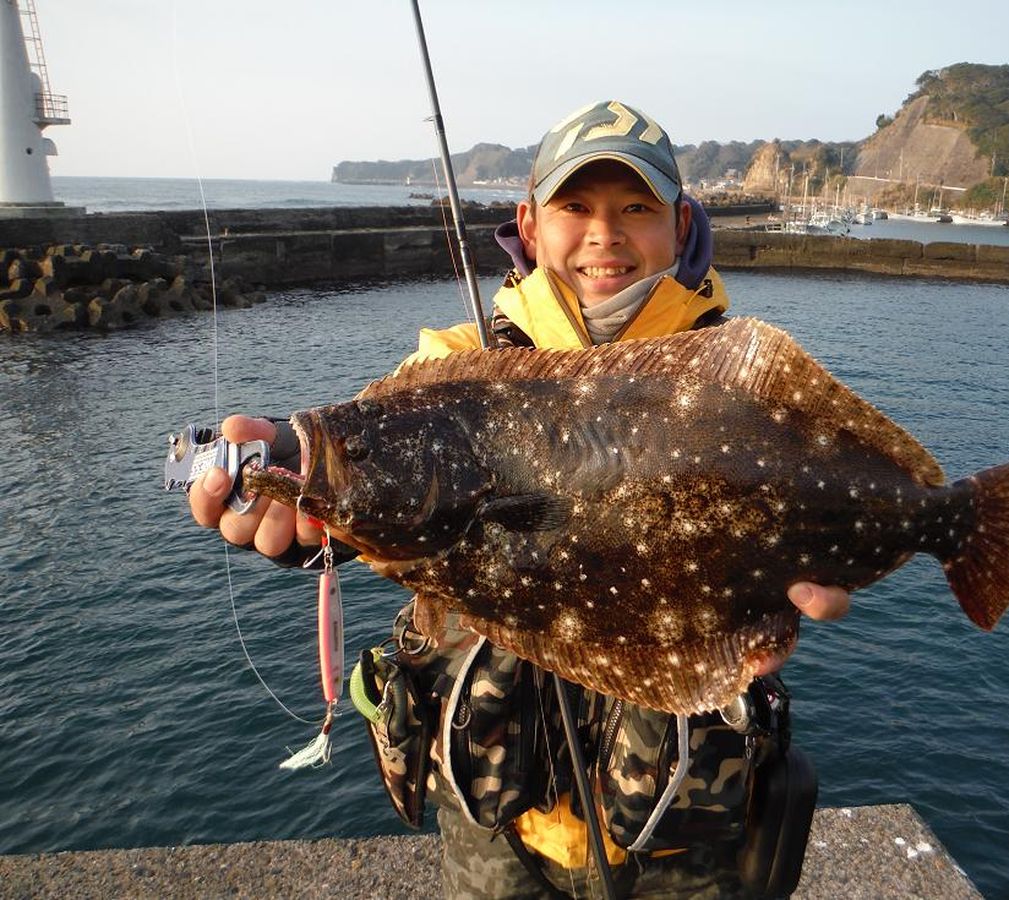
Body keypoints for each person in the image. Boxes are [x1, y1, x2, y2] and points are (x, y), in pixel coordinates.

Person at [191, 100, 849, 898]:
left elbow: (811, 502)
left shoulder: (730, 385)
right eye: (576, 207)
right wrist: (299, 501)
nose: (604, 233)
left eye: (634, 208)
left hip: (683, 819)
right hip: (497, 823)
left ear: (680, 226)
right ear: (530, 225)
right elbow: (384, 472)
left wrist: (821, 546)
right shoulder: (453, 368)